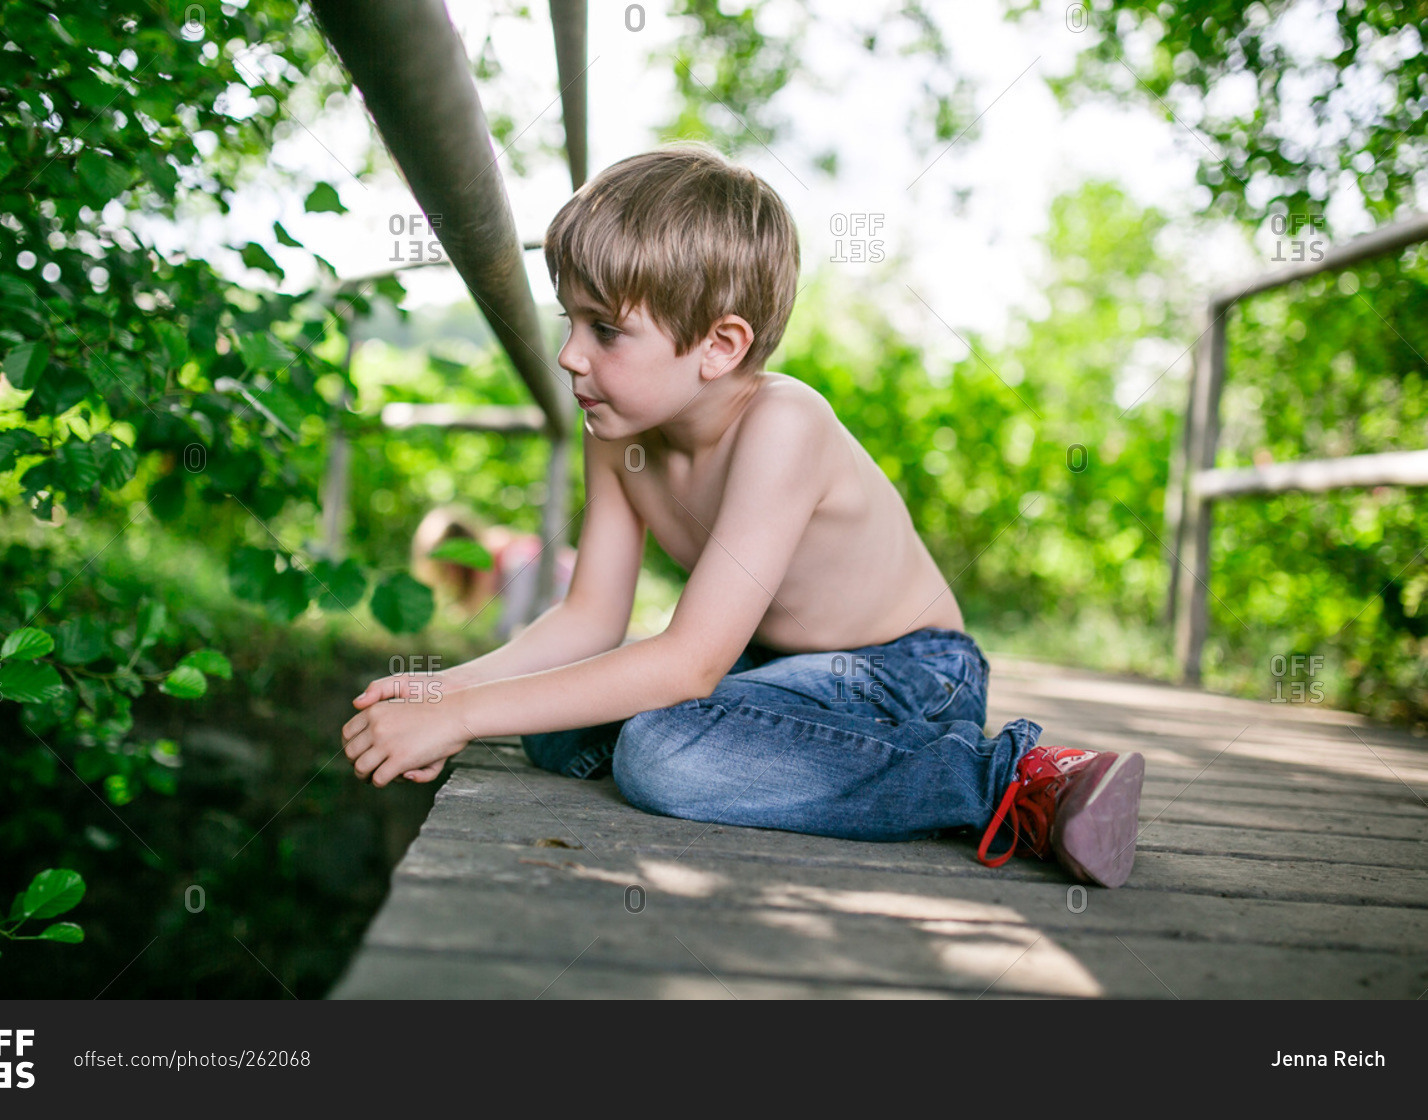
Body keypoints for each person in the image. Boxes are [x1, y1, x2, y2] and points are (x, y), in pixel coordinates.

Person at [344, 142, 1146, 888]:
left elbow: (690, 664)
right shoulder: (616, 428)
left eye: (606, 330)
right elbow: (590, 617)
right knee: (556, 728)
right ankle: (811, 762)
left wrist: (468, 713)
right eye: (570, 321)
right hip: (777, 671)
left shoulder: (782, 425)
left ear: (720, 346)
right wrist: (443, 692)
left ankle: (1009, 778)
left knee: (661, 756)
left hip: (911, 674)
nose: (570, 356)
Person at [409, 504, 575, 641]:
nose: (450, 577)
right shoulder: (503, 558)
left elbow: (515, 618)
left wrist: (500, 636)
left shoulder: (516, 559)